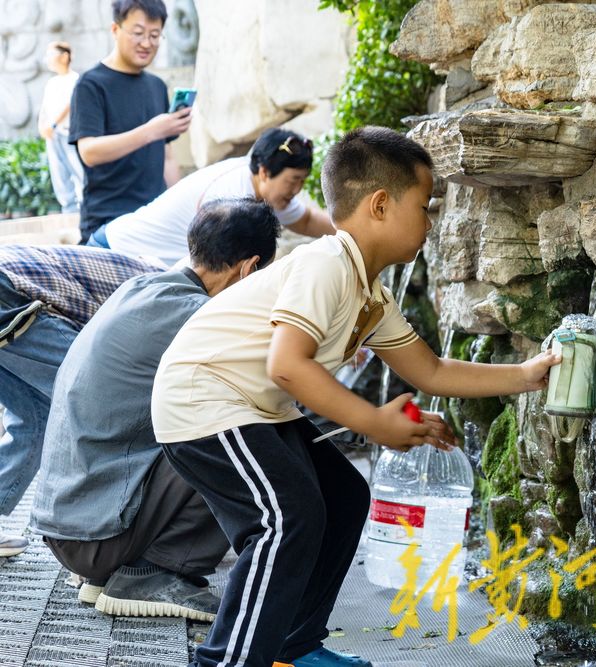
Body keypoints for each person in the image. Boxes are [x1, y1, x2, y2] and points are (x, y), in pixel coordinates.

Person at [151, 126, 560, 667]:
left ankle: (293, 648)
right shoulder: (326, 264)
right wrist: (374, 422)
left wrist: (527, 375)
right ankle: (227, 661)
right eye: (425, 205)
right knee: (285, 519)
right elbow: (287, 364)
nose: (431, 221)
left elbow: (431, 371)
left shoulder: (369, 291)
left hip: (253, 406)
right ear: (381, 205)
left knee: (343, 497)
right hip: (204, 399)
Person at [32, 198, 281, 623]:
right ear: (249, 268)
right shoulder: (201, 318)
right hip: (94, 537)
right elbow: (275, 386)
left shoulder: (142, 288)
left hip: (68, 526)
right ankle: (156, 571)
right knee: (241, 430)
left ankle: (124, 567)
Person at [0, 245, 159, 558]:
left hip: (12, 291)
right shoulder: (168, 292)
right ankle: (100, 539)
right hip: (9, 293)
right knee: (100, 401)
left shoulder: (146, 271)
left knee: (38, 417)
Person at [96, 128, 335, 266]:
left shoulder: (269, 193)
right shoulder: (232, 198)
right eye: (293, 180)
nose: (297, 190)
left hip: (147, 266)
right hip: (117, 252)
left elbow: (307, 220)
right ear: (264, 172)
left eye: (302, 181)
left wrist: (357, 229)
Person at [71, 0, 191, 243]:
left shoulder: (156, 86)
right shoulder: (91, 84)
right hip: (107, 225)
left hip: (154, 221)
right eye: (138, 33)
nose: (147, 43)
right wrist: (150, 131)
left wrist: (181, 208)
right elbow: (90, 152)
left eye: (155, 35)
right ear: (115, 30)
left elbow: (167, 156)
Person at [37, 41, 85, 214]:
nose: (47, 60)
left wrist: (54, 123)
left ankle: (83, 208)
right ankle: (69, 210)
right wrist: (42, 126)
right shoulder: (52, 82)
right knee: (59, 174)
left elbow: (70, 104)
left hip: (69, 133)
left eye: (51, 55)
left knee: (78, 171)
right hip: (52, 135)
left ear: (65, 56)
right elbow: (44, 108)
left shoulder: (75, 79)